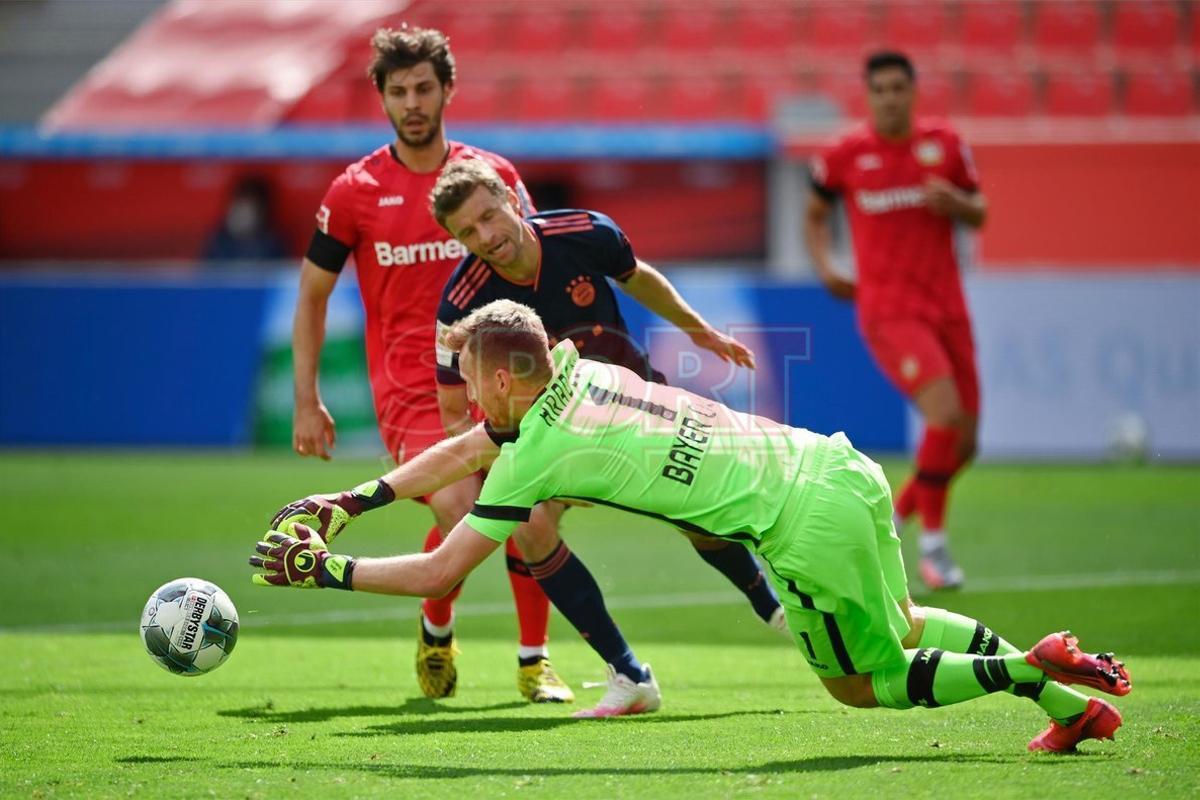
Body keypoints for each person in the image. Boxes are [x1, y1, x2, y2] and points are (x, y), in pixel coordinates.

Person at [253, 299, 1130, 752]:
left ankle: (1029, 662)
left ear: (510, 379)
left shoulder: (535, 460)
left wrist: (325, 570)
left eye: (475, 382)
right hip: (838, 467)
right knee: (899, 624)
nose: (470, 399)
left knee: (864, 684)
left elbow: (441, 572)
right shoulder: (577, 364)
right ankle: (1067, 707)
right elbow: (466, 444)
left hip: (799, 526)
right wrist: (351, 502)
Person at [290, 25, 564, 703]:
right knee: (466, 509)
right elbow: (314, 295)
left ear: (447, 90)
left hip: (503, 380)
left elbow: (536, 269)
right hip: (413, 392)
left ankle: (534, 662)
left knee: (532, 519)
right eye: (398, 90)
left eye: (423, 88)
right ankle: (437, 629)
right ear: (381, 97)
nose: (412, 102)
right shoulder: (355, 191)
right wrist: (305, 397)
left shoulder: (493, 178)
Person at [428, 158, 789, 655]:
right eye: (467, 231)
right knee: (530, 528)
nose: (485, 236)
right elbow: (452, 404)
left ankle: (771, 607)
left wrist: (697, 330)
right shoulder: (460, 305)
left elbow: (637, 278)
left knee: (699, 513)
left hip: (632, 399)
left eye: (489, 215)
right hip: (549, 432)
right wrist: (500, 458)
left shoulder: (585, 232)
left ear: (513, 200)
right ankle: (626, 671)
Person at [804, 51, 987, 590]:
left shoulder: (945, 146)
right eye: (879, 90)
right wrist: (825, 265)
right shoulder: (847, 155)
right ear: (868, 96)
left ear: (913, 91)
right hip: (888, 309)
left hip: (948, 305)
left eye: (897, 88)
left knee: (966, 442)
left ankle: (892, 521)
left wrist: (955, 201)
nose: (889, 98)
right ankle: (933, 550)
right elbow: (814, 212)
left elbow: (980, 211)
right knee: (945, 413)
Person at [202, 176, 287, 262]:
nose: (238, 216)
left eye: (246, 212)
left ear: (260, 214)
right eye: (236, 209)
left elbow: (281, 272)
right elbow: (205, 271)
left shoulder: (271, 244)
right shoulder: (218, 241)